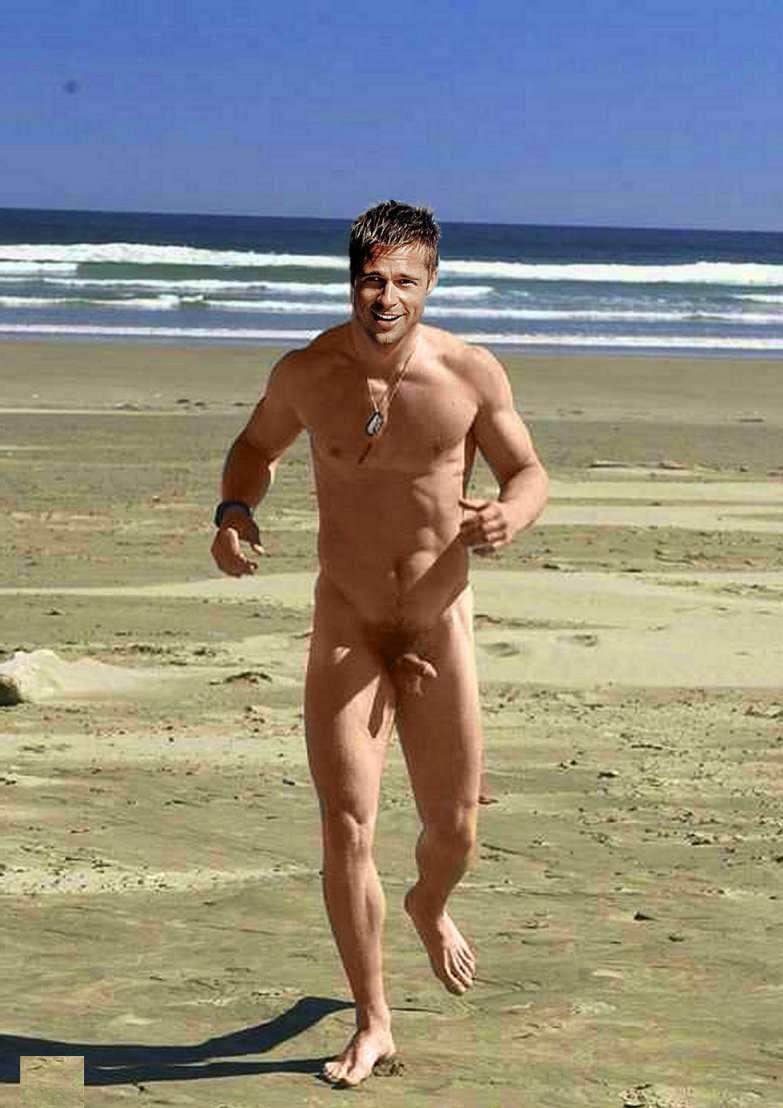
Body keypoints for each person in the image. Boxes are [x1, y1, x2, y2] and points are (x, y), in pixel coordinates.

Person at [210, 200, 549, 1087]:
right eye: (370, 280)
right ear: (350, 282)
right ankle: (373, 1021)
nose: (384, 297)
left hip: (437, 622)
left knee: (454, 827)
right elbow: (254, 446)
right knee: (346, 825)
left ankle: (427, 905)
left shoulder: (468, 374)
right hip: (348, 625)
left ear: (429, 283)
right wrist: (234, 510)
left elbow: (526, 470)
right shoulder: (307, 373)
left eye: (403, 281)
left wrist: (510, 515)